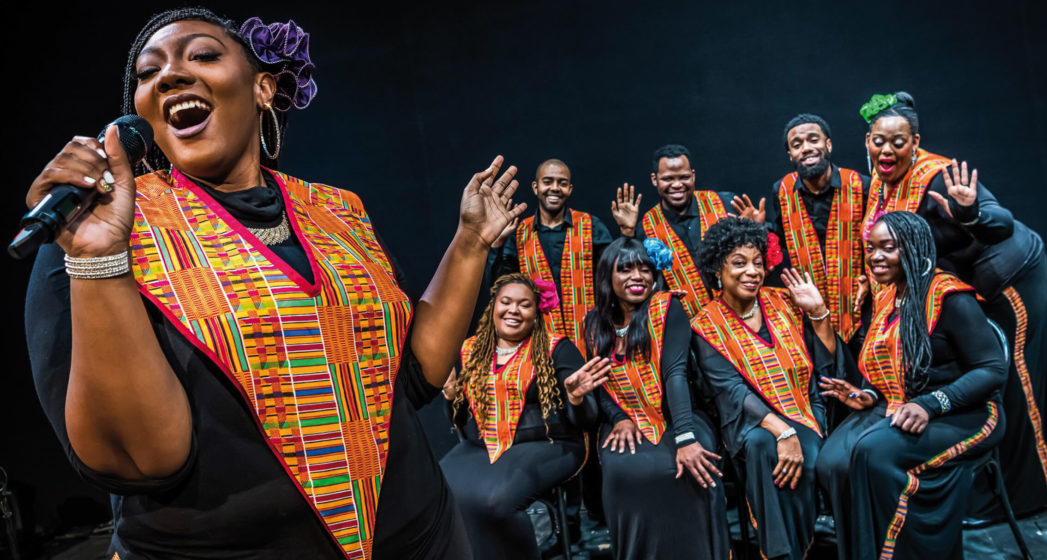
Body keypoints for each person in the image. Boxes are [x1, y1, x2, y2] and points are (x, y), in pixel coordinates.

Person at [24, 9, 525, 559]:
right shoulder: (96, 231)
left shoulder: (337, 210)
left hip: (422, 538)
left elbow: (410, 380)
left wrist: (471, 242)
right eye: (149, 73)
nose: (169, 76)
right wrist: (98, 261)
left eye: (203, 55)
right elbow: (139, 460)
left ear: (263, 88)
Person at [859, 92, 1047, 517]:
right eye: (878, 142)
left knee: (1014, 377)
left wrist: (971, 212)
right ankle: (998, 485)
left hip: (1009, 276)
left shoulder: (938, 176)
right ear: (868, 141)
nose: (887, 151)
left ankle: (1028, 492)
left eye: (897, 143)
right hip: (973, 282)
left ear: (914, 142)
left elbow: (1000, 224)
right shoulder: (883, 185)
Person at [815, 211, 1006, 559]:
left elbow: (992, 370)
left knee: (874, 454)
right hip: (901, 405)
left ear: (914, 247)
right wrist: (870, 393)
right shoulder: (888, 295)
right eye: (871, 248)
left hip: (967, 412)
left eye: (887, 248)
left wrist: (930, 404)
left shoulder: (951, 297)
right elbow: (893, 363)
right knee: (832, 461)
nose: (875, 257)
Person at [691, 217, 838, 559]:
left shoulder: (782, 301)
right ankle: (781, 552)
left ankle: (793, 545)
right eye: (739, 263)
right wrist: (783, 432)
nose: (752, 272)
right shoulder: (706, 324)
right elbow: (731, 392)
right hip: (746, 419)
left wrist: (818, 312)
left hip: (803, 406)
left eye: (758, 263)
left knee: (808, 456)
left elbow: (826, 361)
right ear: (718, 269)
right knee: (762, 446)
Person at [440, 274, 609, 559]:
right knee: (439, 488)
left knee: (496, 500)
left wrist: (575, 397)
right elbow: (459, 420)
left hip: (550, 442)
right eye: (506, 302)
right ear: (493, 306)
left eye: (524, 305)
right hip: (485, 445)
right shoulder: (472, 349)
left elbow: (586, 421)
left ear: (536, 312)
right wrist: (451, 395)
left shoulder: (557, 348)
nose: (513, 311)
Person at [587, 237, 730, 560]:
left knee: (687, 467)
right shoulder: (594, 323)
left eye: (645, 269)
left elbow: (675, 374)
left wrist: (685, 438)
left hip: (680, 417)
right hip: (625, 419)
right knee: (623, 470)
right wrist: (618, 418)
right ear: (607, 275)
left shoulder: (668, 308)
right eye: (625, 269)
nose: (637, 276)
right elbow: (598, 385)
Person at [741, 113, 870, 347]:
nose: (806, 148)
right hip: (809, 311)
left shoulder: (861, 184)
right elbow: (780, 239)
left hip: (858, 306)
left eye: (813, 140)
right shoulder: (781, 190)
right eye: (797, 145)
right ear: (790, 154)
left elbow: (874, 241)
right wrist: (758, 230)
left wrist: (870, 279)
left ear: (828, 144)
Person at [487, 158, 613, 356]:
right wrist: (496, 244)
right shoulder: (519, 233)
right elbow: (498, 287)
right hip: (539, 342)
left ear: (570, 189)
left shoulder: (591, 225)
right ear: (536, 187)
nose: (555, 188)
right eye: (548, 182)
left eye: (562, 183)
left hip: (592, 339)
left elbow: (614, 276)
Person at [612, 144, 736, 317]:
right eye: (668, 179)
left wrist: (756, 227)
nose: (677, 184)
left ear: (693, 176)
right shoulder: (645, 228)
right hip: (686, 324)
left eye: (684, 177)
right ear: (655, 179)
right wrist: (627, 231)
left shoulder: (724, 203)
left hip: (738, 315)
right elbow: (630, 274)